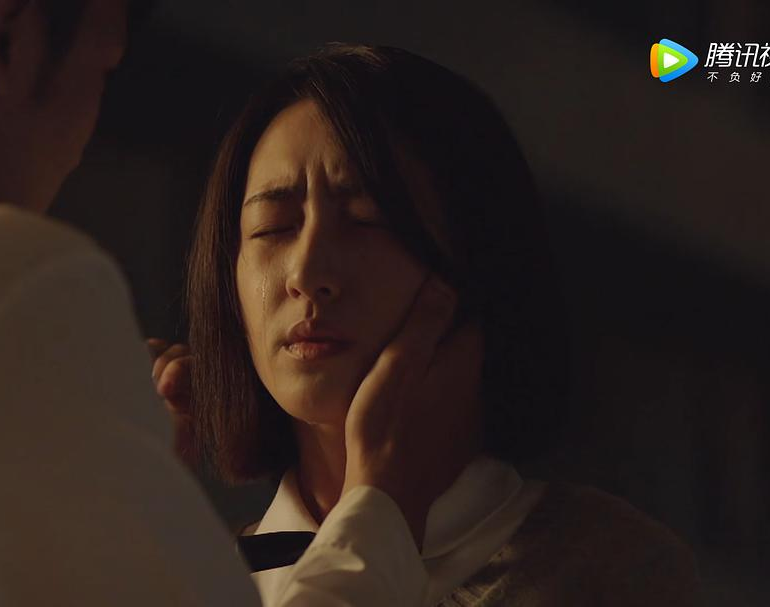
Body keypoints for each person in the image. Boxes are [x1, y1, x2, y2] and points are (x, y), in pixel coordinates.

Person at [0, 4, 446, 605]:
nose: (307, 273)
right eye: (102, 71)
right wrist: (381, 511)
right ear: (9, 36)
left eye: (368, 219)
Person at [151, 43, 702, 606]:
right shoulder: (186, 578)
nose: (307, 273)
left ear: (479, 260)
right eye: (272, 226)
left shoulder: (608, 567)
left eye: (367, 218)